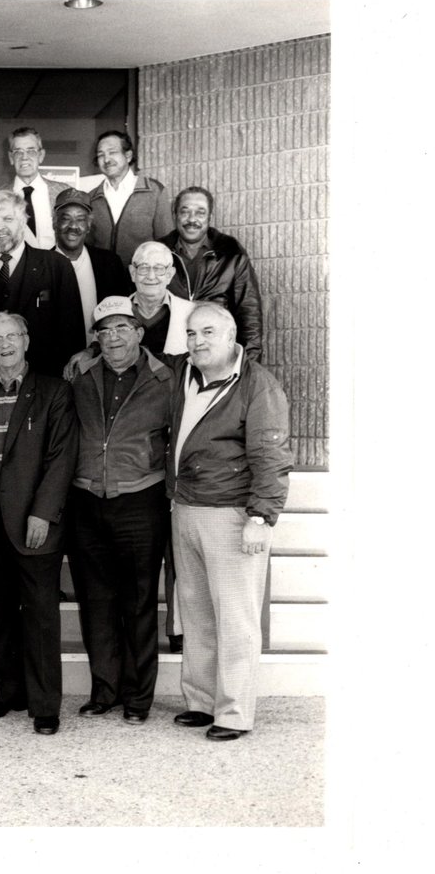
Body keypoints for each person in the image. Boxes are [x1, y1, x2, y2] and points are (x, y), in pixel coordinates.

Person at [167, 303, 291, 741]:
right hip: (185, 509)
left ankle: (234, 713)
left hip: (232, 514)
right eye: (191, 333)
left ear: (231, 334)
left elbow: (271, 457)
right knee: (197, 614)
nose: (197, 341)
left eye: (207, 333)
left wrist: (261, 516)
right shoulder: (183, 373)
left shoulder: (258, 385)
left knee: (235, 618)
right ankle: (201, 703)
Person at [0, 312, 77, 735]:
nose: (4, 345)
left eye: (12, 337)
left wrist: (43, 513)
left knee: (41, 613)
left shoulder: (53, 391)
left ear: (26, 341)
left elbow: (61, 458)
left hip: (33, 512)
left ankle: (45, 705)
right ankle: (6, 694)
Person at [68, 296, 173, 725]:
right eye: (104, 330)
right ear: (95, 338)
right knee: (96, 602)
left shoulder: (166, 378)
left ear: (139, 332)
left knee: (139, 603)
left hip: (140, 500)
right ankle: (104, 690)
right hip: (87, 501)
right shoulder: (79, 374)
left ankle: (137, 698)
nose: (113, 338)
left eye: (122, 328)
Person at [0, 189, 80, 377]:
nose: (0, 227)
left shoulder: (56, 265)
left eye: (8, 219)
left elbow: (71, 331)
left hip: (46, 378)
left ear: (22, 223)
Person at [159, 186, 264, 361]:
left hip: (217, 357)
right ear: (175, 215)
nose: (192, 219)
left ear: (210, 217)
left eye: (200, 213)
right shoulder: (159, 251)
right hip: (170, 360)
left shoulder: (231, 252)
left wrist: (249, 367)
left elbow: (249, 314)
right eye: (185, 212)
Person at [51, 188, 133, 343]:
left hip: (101, 358)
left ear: (88, 226)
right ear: (54, 223)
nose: (73, 226)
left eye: (80, 219)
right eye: (66, 218)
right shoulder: (39, 267)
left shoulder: (110, 263)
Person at [85, 130, 173, 265]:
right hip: (102, 277)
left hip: (142, 277)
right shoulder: (91, 198)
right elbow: (88, 244)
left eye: (112, 152)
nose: (107, 160)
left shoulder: (154, 192)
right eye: (101, 155)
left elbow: (166, 242)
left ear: (128, 155)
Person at [6, 127, 71, 251]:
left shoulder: (63, 193)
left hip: (55, 265)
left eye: (31, 151)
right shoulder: (0, 196)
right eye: (18, 152)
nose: (24, 157)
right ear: (10, 157)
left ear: (41, 155)